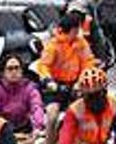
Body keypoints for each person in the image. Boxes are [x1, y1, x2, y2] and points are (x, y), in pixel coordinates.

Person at [35, 14, 97, 144]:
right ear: (72, 29)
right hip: (56, 86)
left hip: (75, 84)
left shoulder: (81, 43)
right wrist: (49, 81)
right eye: (77, 29)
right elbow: (43, 65)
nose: (79, 32)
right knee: (52, 116)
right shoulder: (53, 45)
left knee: (84, 114)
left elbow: (88, 62)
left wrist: (81, 81)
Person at [59, 68, 116, 144]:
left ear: (105, 91)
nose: (94, 100)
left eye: (98, 94)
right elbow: (65, 139)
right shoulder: (74, 111)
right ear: (83, 95)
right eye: (90, 96)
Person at [0, 53, 45, 134]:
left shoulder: (30, 88)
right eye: (10, 69)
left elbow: (36, 107)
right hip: (2, 129)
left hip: (25, 129)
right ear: (2, 73)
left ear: (22, 71)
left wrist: (38, 127)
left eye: (17, 68)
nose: (14, 72)